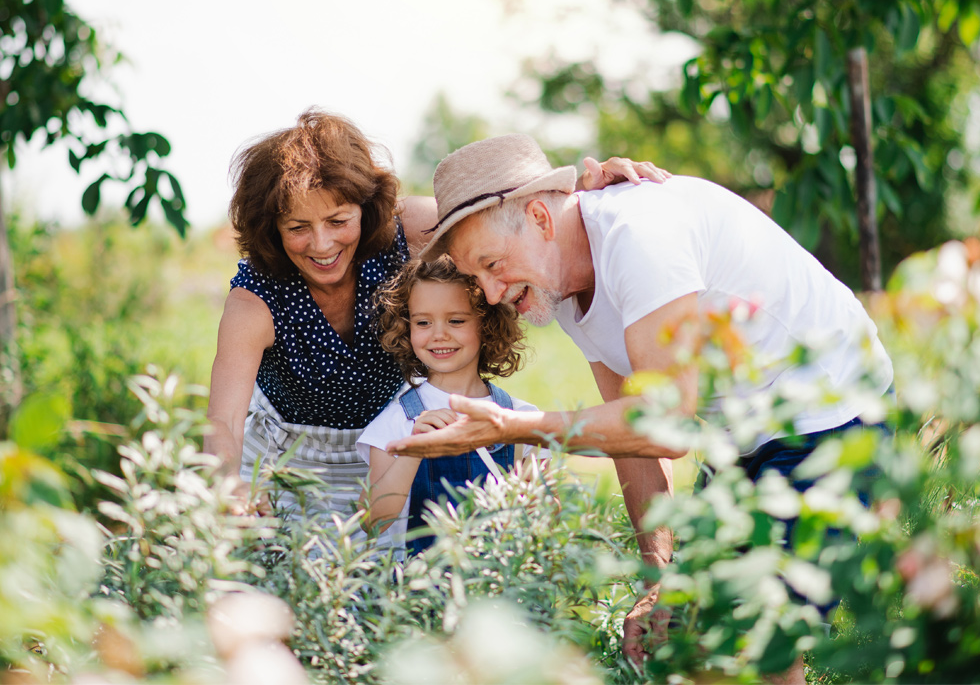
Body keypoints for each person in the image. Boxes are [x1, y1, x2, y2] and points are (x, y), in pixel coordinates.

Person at [386, 133, 895, 682]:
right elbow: (629, 433)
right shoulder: (559, 280)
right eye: (475, 276)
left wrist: (515, 427)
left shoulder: (639, 238)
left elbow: (666, 422)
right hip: (746, 430)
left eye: (491, 264)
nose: (487, 292)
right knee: (689, 632)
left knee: (756, 635)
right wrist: (659, 579)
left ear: (540, 216)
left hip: (834, 409)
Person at [204, 109, 666, 524]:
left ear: (365, 208)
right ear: (272, 229)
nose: (322, 245)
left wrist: (581, 202)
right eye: (298, 228)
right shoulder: (255, 301)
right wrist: (229, 486)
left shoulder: (410, 230)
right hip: (287, 462)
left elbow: (504, 222)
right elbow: (223, 423)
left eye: (338, 221)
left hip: (387, 450)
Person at [356, 256, 544, 557]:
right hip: (421, 596)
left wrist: (534, 498)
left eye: (456, 320)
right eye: (423, 322)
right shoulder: (397, 421)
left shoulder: (520, 419)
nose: (439, 334)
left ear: (487, 324)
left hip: (502, 593)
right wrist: (413, 451)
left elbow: (547, 520)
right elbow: (372, 520)